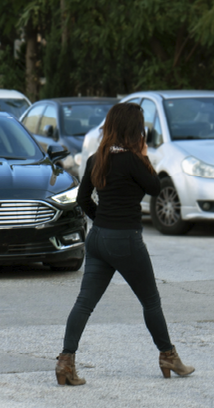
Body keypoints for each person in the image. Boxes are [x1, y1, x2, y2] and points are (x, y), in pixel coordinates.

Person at [55, 102, 194, 386]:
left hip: (98, 240)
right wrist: (144, 157)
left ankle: (65, 361)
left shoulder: (96, 159)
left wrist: (102, 222)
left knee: (84, 303)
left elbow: (82, 201)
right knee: (151, 301)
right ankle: (167, 355)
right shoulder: (132, 160)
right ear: (134, 130)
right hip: (126, 240)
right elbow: (155, 189)